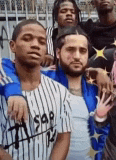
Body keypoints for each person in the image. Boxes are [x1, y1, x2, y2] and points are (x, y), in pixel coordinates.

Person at [2, 26, 110, 160]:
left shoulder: (96, 89)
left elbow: (103, 131)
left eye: (82, 51)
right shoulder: (41, 79)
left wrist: (97, 72)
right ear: (58, 53)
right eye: (70, 49)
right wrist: (14, 92)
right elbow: (5, 64)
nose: (77, 56)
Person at [0, 19, 72, 160]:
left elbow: (63, 138)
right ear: (12, 46)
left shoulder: (60, 91)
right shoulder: (4, 88)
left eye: (41, 41)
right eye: (27, 39)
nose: (35, 45)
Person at [46, 0, 81, 65]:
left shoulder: (83, 38)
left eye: (72, 12)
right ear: (56, 17)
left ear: (76, 18)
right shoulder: (47, 35)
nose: (69, 14)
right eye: (63, 11)